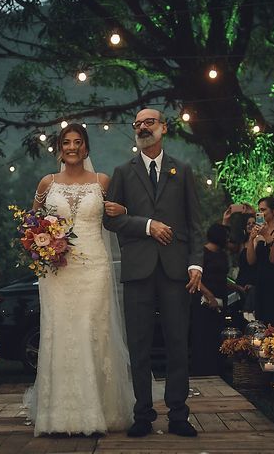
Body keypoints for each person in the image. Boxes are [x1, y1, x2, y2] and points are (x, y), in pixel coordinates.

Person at [27, 123, 134, 436]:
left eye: (77, 142)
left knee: (92, 332)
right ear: (60, 148)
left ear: (86, 148)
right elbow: (31, 223)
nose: (72, 147)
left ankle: (99, 411)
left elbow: (118, 217)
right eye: (66, 142)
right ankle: (58, 416)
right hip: (57, 272)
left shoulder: (102, 182)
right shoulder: (47, 183)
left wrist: (124, 207)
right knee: (59, 333)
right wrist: (40, 243)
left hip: (94, 267)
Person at [103, 109, 204, 438]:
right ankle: (142, 414)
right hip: (138, 271)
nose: (143, 127)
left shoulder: (183, 169)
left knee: (177, 343)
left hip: (176, 270)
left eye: (149, 122)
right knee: (139, 345)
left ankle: (178, 415)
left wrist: (195, 264)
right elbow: (111, 219)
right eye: (137, 124)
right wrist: (146, 225)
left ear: (163, 128)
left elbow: (194, 224)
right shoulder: (122, 172)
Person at [191, 224, 229, 376]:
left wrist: (237, 287)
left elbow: (222, 277)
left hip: (221, 299)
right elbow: (196, 279)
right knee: (202, 335)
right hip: (203, 300)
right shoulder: (202, 253)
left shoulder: (222, 254)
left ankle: (217, 369)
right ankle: (201, 369)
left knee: (217, 335)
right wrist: (209, 295)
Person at [246, 196, 274, 326]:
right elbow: (251, 260)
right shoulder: (258, 234)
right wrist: (251, 239)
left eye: (263, 210)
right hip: (261, 280)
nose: (261, 214)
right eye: (259, 210)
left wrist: (266, 236)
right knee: (261, 321)